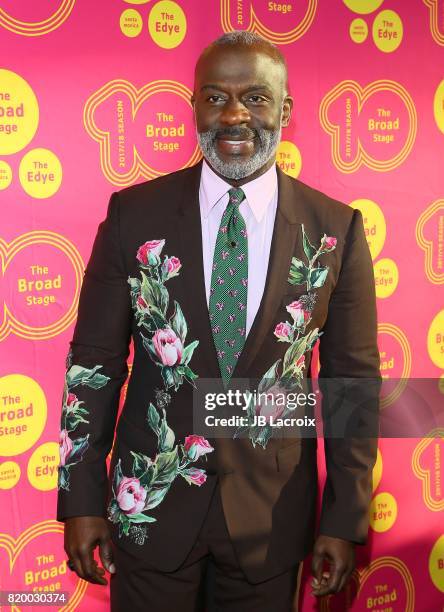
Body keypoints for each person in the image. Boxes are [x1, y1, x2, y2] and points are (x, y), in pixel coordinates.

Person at [57, 31, 380, 612]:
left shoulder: (336, 230)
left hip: (272, 521)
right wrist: (81, 500)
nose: (234, 115)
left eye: (255, 98)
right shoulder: (134, 214)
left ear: (285, 110)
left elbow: (351, 382)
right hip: (150, 508)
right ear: (195, 107)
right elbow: (94, 363)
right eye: (215, 97)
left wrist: (345, 518)